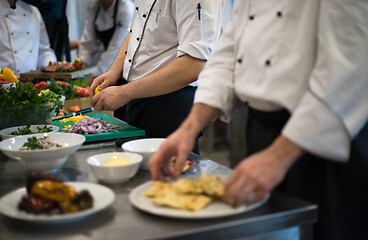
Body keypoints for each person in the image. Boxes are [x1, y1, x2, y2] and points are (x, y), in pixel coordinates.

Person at [148, 1, 368, 239]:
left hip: (323, 138)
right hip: (261, 132)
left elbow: (352, 68)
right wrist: (188, 129)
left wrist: (277, 157)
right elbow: (229, 51)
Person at [90, 0, 226, 153]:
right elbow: (136, 33)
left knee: (171, 173)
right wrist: (113, 72)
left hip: (170, 104)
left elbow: (194, 64)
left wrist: (125, 92)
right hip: (136, 98)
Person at [78, 0, 134, 85]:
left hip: (126, 65)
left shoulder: (126, 9)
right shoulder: (94, 4)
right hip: (108, 66)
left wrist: (95, 78)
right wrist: (79, 68)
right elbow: (88, 43)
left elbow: (115, 48)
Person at [0, 0, 57, 76]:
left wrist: (53, 65)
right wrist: (5, 76)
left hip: (31, 84)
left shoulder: (33, 12)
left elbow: (43, 51)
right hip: (4, 84)